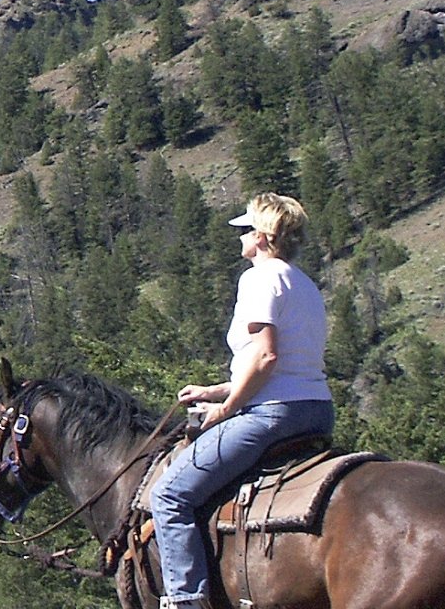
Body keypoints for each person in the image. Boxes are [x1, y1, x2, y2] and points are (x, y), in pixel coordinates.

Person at [151, 193, 333, 609]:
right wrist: (214, 391)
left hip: (273, 414)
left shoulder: (259, 279)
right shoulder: (303, 283)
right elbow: (282, 362)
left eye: (247, 231)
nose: (240, 239)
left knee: (169, 496)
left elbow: (267, 356)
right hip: (315, 409)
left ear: (265, 238)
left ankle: (185, 599)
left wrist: (227, 408)